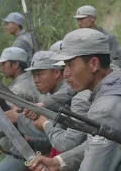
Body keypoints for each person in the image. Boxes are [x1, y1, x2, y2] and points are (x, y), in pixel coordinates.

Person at [28, 28, 121, 171]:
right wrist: (58, 162)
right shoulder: (115, 77)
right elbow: (105, 142)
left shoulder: (104, 110)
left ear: (94, 64)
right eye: (65, 65)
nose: (65, 74)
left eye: (70, 65)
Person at [0, 47, 47, 171]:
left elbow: (8, 121)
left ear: (15, 64)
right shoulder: (30, 80)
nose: (1, 67)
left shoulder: (18, 89)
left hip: (30, 146)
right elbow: (12, 113)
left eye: (4, 63)